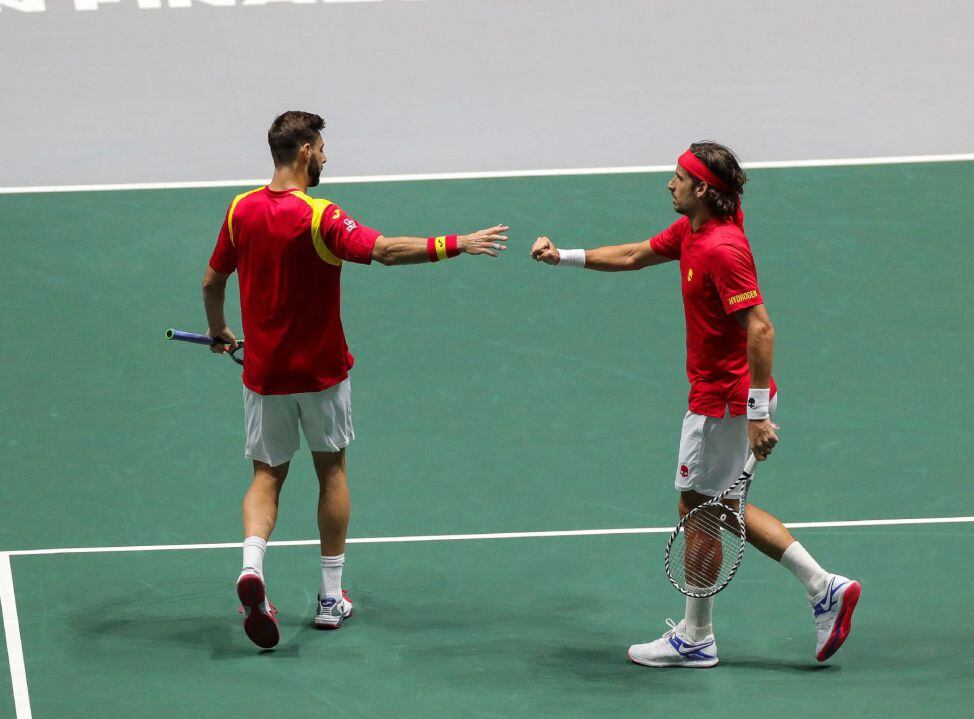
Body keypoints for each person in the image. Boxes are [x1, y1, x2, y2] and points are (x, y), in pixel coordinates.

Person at [530, 142, 860, 667]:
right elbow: (635, 255)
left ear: (704, 189)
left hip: (724, 403)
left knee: (698, 506)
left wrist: (756, 416)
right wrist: (562, 256)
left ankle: (700, 636)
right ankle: (820, 589)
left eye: (679, 176)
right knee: (717, 506)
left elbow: (761, 327)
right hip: (722, 399)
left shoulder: (722, 250)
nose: (669, 183)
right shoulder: (695, 230)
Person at [203, 110, 508, 649]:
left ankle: (252, 567)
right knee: (331, 471)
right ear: (303, 152)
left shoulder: (240, 210)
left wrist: (219, 330)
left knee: (267, 477)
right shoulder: (320, 217)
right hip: (320, 374)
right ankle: (328, 598)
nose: (326, 157)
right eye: (321, 147)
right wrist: (458, 242)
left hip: (265, 376)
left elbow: (212, 280)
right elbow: (385, 251)